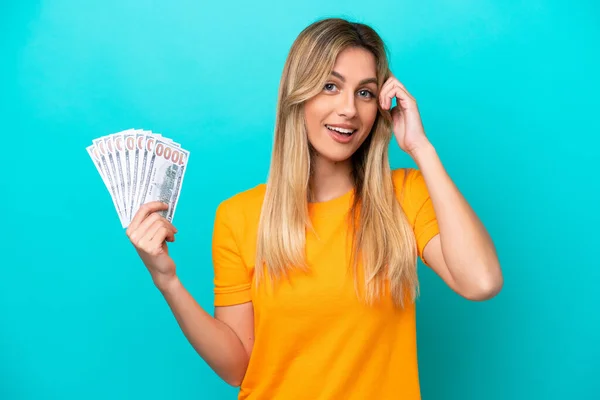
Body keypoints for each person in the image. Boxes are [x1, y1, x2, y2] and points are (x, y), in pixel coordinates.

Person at [126, 17, 503, 400]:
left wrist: (422, 148)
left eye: (365, 93)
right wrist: (167, 281)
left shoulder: (403, 197)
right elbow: (238, 368)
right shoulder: (239, 216)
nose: (349, 110)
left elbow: (481, 281)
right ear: (299, 95)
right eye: (330, 86)